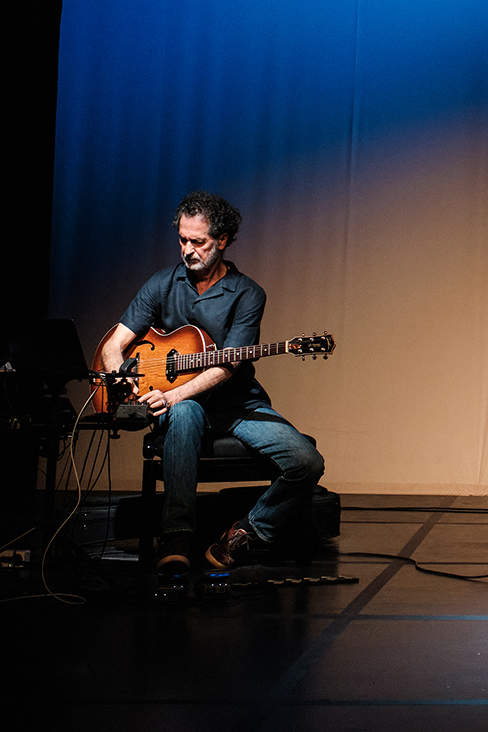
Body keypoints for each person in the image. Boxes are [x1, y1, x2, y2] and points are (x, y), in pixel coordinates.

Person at [99, 191, 324, 575]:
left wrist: (172, 395)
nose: (188, 250)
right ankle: (178, 537)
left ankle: (246, 532)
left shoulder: (248, 293)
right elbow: (112, 345)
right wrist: (127, 384)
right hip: (186, 406)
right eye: (183, 239)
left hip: (239, 405)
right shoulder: (161, 284)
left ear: (222, 240)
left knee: (306, 461)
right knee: (185, 413)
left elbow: (227, 367)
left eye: (198, 242)